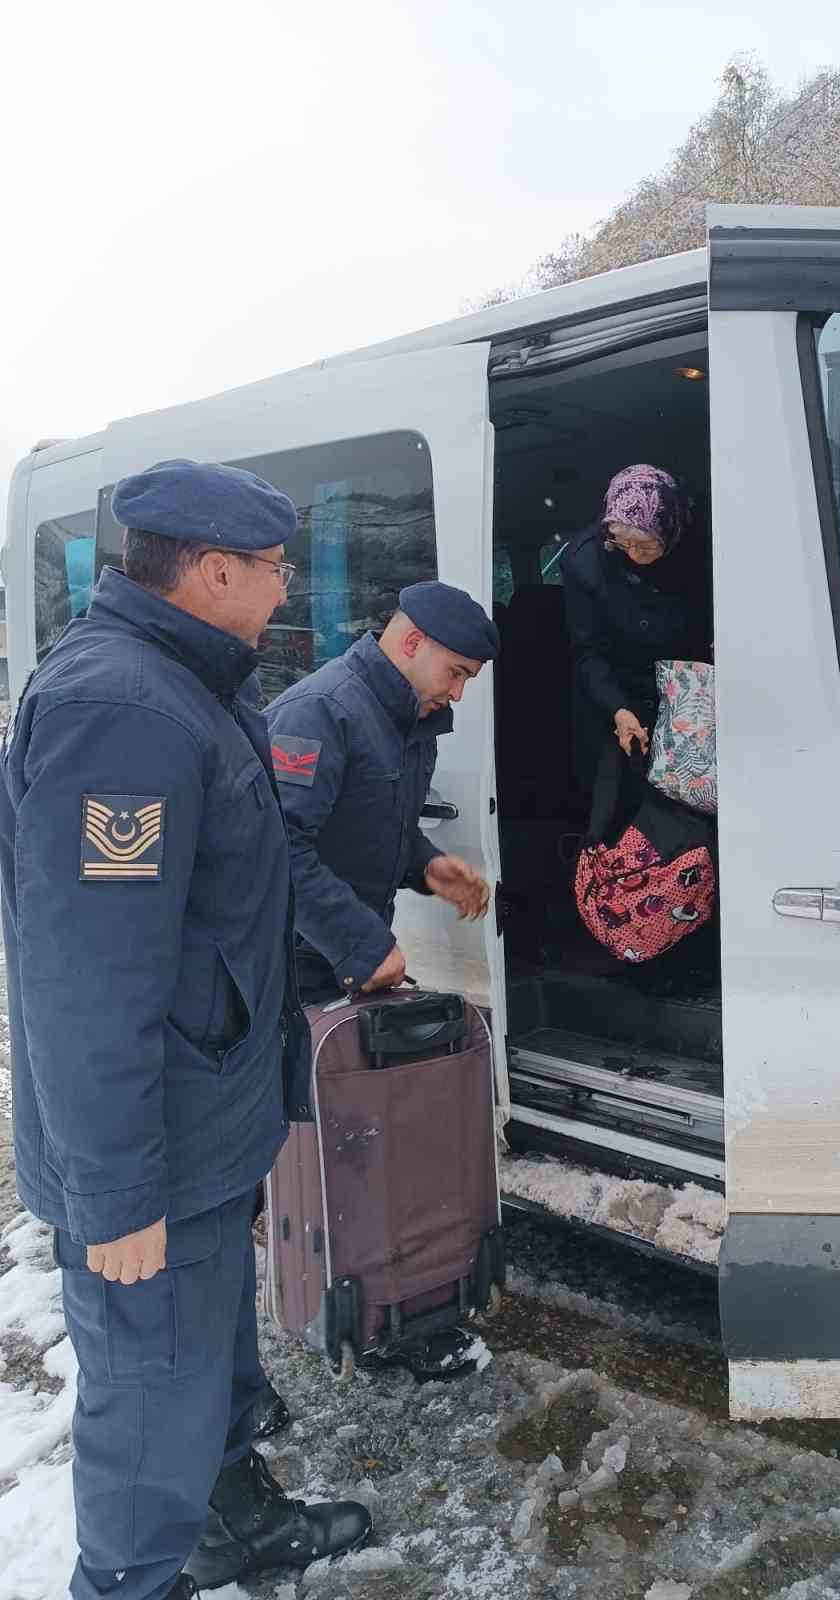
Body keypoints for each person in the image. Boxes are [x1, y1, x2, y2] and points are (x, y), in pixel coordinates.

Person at [0, 459, 372, 1600]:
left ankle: (230, 1520)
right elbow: (88, 977)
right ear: (211, 573)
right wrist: (115, 1192)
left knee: (206, 1361)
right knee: (149, 1386)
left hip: (203, 1127)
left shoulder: (192, 681)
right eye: (270, 569)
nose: (283, 590)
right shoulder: (122, 710)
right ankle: (133, 1579)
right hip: (147, 1158)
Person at [264, 581, 499, 1003]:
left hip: (337, 959)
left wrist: (425, 864)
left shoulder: (414, 717)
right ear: (412, 642)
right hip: (289, 962)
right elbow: (276, 849)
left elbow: (370, 819)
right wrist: (358, 943)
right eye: (456, 672)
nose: (459, 694)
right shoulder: (321, 711)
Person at [559, 464, 709, 793]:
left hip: (689, 692)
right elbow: (588, 651)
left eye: (645, 545)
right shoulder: (584, 562)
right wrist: (618, 709)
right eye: (622, 543)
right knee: (614, 795)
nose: (633, 554)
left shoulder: (704, 551)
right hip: (614, 693)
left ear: (670, 530)